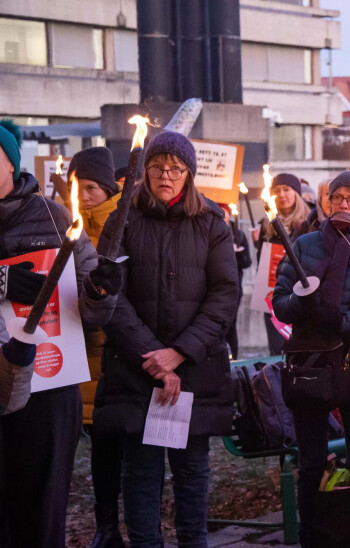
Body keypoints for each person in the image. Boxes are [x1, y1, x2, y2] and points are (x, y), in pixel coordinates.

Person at [88, 131, 239, 547]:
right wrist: (152, 357)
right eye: (157, 167)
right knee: (140, 472)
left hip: (194, 369)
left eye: (175, 168)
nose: (165, 175)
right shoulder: (123, 220)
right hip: (136, 372)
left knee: (191, 472)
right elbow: (109, 295)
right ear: (145, 172)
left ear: (189, 173)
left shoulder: (210, 222)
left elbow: (225, 295)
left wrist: (180, 353)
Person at [273, 170, 350, 547]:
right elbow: (279, 302)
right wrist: (302, 304)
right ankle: (311, 536)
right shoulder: (306, 243)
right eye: (337, 197)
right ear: (327, 203)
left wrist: (343, 321)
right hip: (310, 364)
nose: (344, 204)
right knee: (311, 463)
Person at [0, 119, 100, 548]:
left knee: (42, 509)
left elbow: (92, 299)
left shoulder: (53, 215)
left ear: (11, 164)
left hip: (47, 384)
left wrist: (103, 292)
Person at [67, 146, 127, 548]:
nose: (84, 194)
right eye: (76, 186)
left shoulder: (125, 225)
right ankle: (102, 524)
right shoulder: (63, 228)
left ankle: (115, 527)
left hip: (114, 356)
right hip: (73, 356)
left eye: (91, 187)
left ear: (107, 188)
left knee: (113, 448)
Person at [253, 172, 310, 355]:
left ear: (297, 194)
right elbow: (261, 260)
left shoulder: (308, 223)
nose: (282, 194)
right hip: (273, 294)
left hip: (299, 294)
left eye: (287, 189)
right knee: (277, 350)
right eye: (277, 191)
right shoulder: (266, 225)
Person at [221, 205, 252, 359]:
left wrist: (236, 254)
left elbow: (247, 262)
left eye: (224, 213)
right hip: (215, 286)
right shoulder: (209, 231)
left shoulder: (238, 234)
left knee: (230, 325)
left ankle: (233, 357)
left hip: (234, 287)